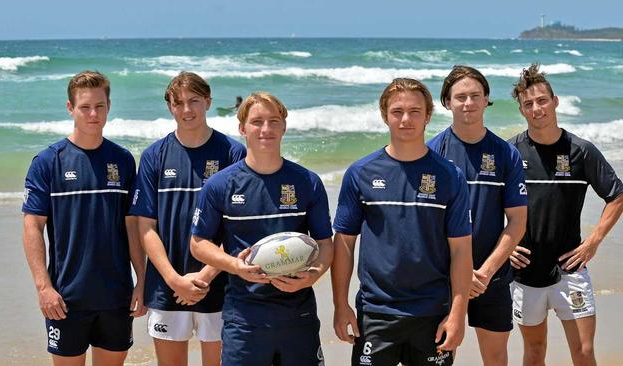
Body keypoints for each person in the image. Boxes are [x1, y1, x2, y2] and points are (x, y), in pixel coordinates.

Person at [332, 78, 473, 366]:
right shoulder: (360, 173)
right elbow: (344, 243)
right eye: (397, 112)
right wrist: (340, 304)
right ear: (385, 116)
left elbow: (461, 250)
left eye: (414, 111)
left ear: (428, 116)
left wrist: (458, 312)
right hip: (376, 311)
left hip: (433, 311)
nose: (405, 119)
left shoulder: (450, 176)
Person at [190, 92, 333, 366]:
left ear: (284, 127)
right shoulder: (220, 185)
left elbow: (325, 244)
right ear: (242, 128)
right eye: (257, 122)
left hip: (298, 316)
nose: (265, 129)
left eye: (273, 121)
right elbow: (198, 243)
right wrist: (235, 265)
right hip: (244, 318)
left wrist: (313, 275)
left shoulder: (307, 182)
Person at [22, 70, 146, 366]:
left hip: (116, 295)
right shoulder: (48, 161)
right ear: (70, 108)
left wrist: (142, 281)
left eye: (100, 106)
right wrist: (43, 287)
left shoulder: (123, 160)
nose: (93, 114)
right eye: (85, 107)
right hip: (65, 298)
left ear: (109, 107)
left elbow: (132, 227)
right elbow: (32, 226)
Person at [508, 63, 623, 366]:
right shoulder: (511, 152)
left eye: (541, 100)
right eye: (528, 104)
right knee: (534, 353)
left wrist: (593, 242)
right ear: (522, 110)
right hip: (525, 273)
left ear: (555, 101)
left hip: (570, 270)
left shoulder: (581, 151)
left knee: (584, 352)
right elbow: (486, 203)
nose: (536, 108)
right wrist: (504, 247)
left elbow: (617, 197)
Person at [129, 72, 246, 366]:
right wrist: (173, 279)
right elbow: (146, 228)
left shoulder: (233, 153)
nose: (186, 110)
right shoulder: (154, 155)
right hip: (167, 285)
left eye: (194, 101)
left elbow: (235, 227)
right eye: (178, 103)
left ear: (208, 101)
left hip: (219, 284)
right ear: (169, 106)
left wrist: (205, 277)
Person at [426, 66, 527, 366]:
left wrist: (484, 272)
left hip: (490, 278)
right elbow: (427, 224)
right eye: (460, 97)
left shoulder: (506, 154)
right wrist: (459, 272)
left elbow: (518, 221)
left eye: (475, 96)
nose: (468, 102)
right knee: (440, 357)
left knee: (496, 359)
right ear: (447, 102)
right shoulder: (431, 153)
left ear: (486, 101)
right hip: (442, 278)